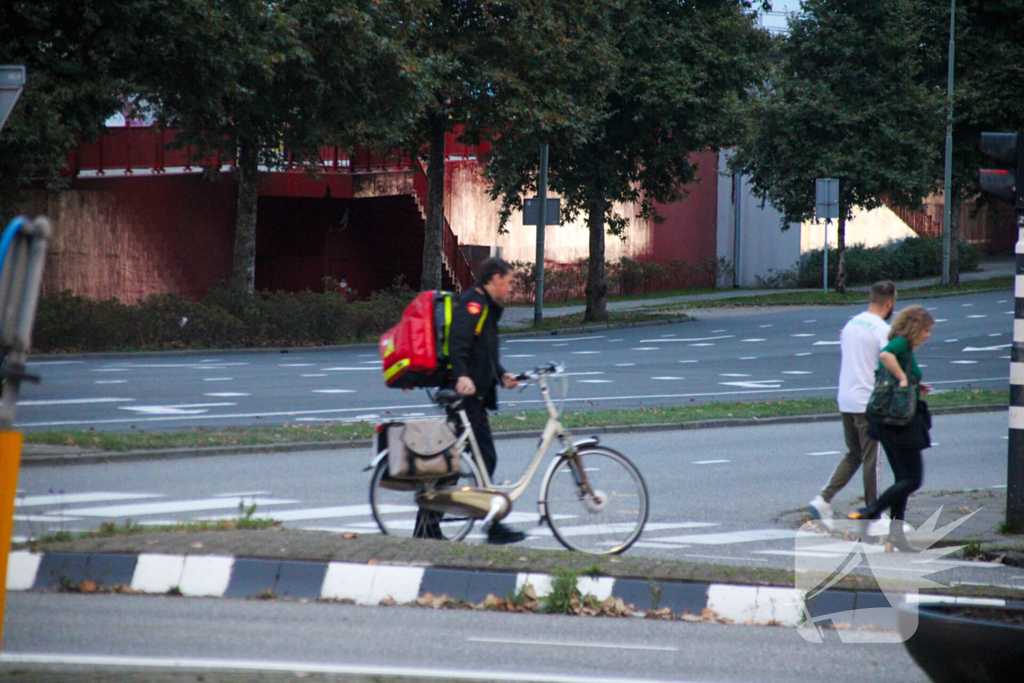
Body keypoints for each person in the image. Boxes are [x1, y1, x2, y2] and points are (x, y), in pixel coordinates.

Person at [416, 257, 525, 544]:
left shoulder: (487, 307)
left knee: (465, 461)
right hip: (464, 396)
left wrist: (502, 375)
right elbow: (458, 342)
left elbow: (484, 353)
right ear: (495, 279)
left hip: (474, 397)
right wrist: (462, 375)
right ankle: (489, 525)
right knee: (475, 460)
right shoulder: (474, 304)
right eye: (510, 281)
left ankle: (431, 526)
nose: (511, 288)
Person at [808, 281, 896, 532]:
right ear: (889, 303)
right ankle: (875, 515)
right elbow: (886, 363)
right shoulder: (882, 329)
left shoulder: (851, 324)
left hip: (845, 398)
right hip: (867, 402)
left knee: (854, 454)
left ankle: (823, 500)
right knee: (872, 458)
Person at [848, 305, 935, 553]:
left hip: (888, 422)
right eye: (926, 330)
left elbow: (896, 376)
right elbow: (886, 356)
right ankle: (870, 511)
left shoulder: (905, 348)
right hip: (900, 425)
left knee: (902, 480)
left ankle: (894, 537)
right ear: (915, 327)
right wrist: (905, 379)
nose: (928, 335)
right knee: (913, 479)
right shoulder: (899, 344)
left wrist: (914, 384)